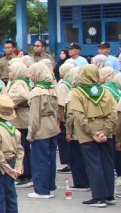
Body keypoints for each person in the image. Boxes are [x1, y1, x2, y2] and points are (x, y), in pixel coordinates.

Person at [68, 65, 117, 208]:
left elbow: (78, 115)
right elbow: (113, 113)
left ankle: (99, 197)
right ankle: (109, 195)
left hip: (88, 133)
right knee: (107, 163)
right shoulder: (105, 91)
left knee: (93, 164)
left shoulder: (77, 92)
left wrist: (91, 132)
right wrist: (105, 131)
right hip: (105, 132)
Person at [27, 62, 59, 198]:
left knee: (39, 160)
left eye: (31, 73)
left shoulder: (36, 92)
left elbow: (34, 116)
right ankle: (50, 186)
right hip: (52, 125)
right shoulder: (51, 88)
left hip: (41, 128)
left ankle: (41, 190)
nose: (29, 76)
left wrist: (30, 133)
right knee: (50, 158)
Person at [5, 60, 32, 189]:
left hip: (20, 120)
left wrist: (9, 103)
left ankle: (24, 174)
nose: (9, 73)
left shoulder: (18, 83)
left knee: (21, 149)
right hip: (23, 119)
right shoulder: (24, 82)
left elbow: (22, 96)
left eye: (10, 71)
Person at [64, 66, 90, 191]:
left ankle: (80, 182)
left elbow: (71, 115)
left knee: (77, 157)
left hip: (77, 131)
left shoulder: (74, 93)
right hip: (88, 129)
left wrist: (68, 131)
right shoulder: (89, 91)